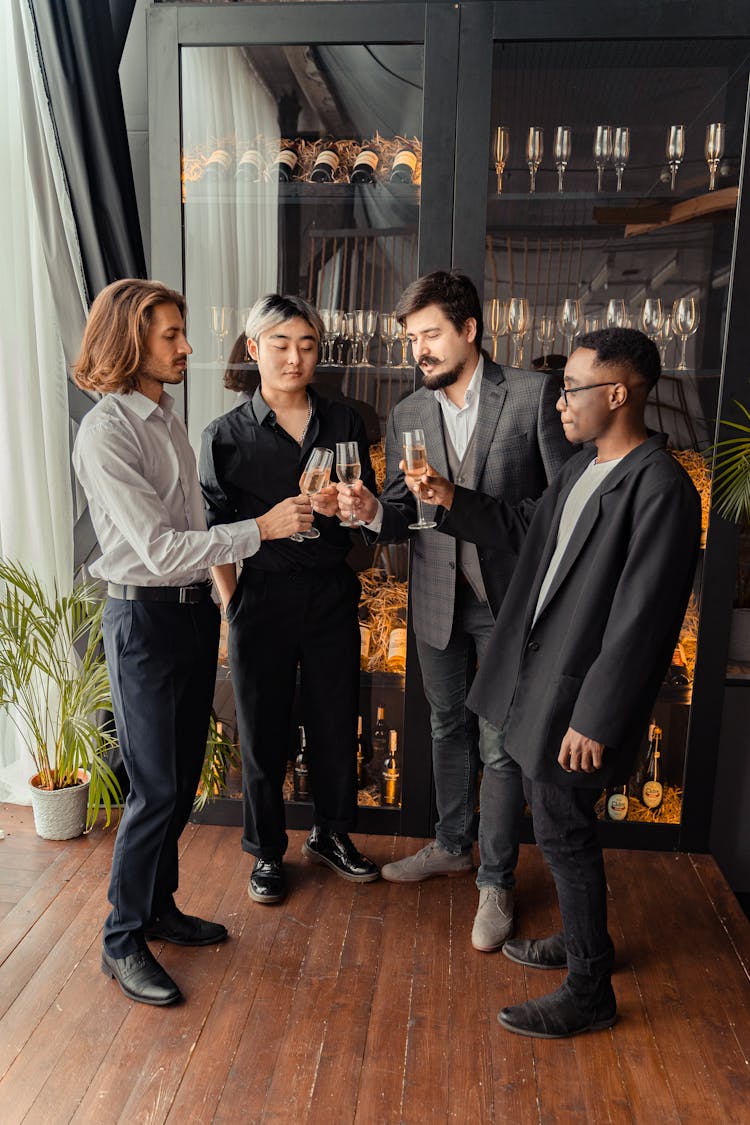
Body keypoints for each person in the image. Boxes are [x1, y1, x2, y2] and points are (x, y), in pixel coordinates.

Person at [408, 327, 701, 1038]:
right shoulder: (581, 467)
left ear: (618, 392)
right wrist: (450, 497)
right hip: (539, 678)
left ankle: (589, 988)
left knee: (564, 828)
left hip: (580, 700)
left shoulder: (659, 486)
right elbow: (521, 525)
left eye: (572, 387)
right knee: (559, 821)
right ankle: (580, 939)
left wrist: (594, 718)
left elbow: (642, 624)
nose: (561, 400)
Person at [72, 279, 312, 1007]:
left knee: (180, 777)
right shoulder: (108, 430)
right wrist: (260, 529)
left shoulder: (165, 416)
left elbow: (182, 534)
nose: (187, 345)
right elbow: (154, 547)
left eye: (181, 331)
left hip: (185, 617)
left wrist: (219, 596)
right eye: (170, 334)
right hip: (142, 620)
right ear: (129, 341)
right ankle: (122, 939)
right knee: (156, 788)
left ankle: (160, 908)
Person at [337, 270, 572, 951]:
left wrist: (456, 499)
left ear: (470, 330)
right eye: (413, 340)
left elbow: (556, 514)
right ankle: (450, 843)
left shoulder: (532, 396)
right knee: (445, 725)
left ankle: (495, 880)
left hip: (509, 604)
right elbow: (402, 514)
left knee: (500, 746)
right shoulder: (410, 412)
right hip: (437, 598)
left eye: (431, 335)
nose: (421, 351)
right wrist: (370, 511)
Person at [199, 294, 380, 906]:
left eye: (306, 344)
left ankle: (331, 833)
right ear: (253, 350)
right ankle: (266, 853)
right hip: (261, 597)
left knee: (336, 719)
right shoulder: (224, 436)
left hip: (331, 594)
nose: (294, 357)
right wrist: (233, 604)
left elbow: (367, 511)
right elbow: (213, 533)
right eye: (280, 344)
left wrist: (351, 510)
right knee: (262, 731)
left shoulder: (345, 422)